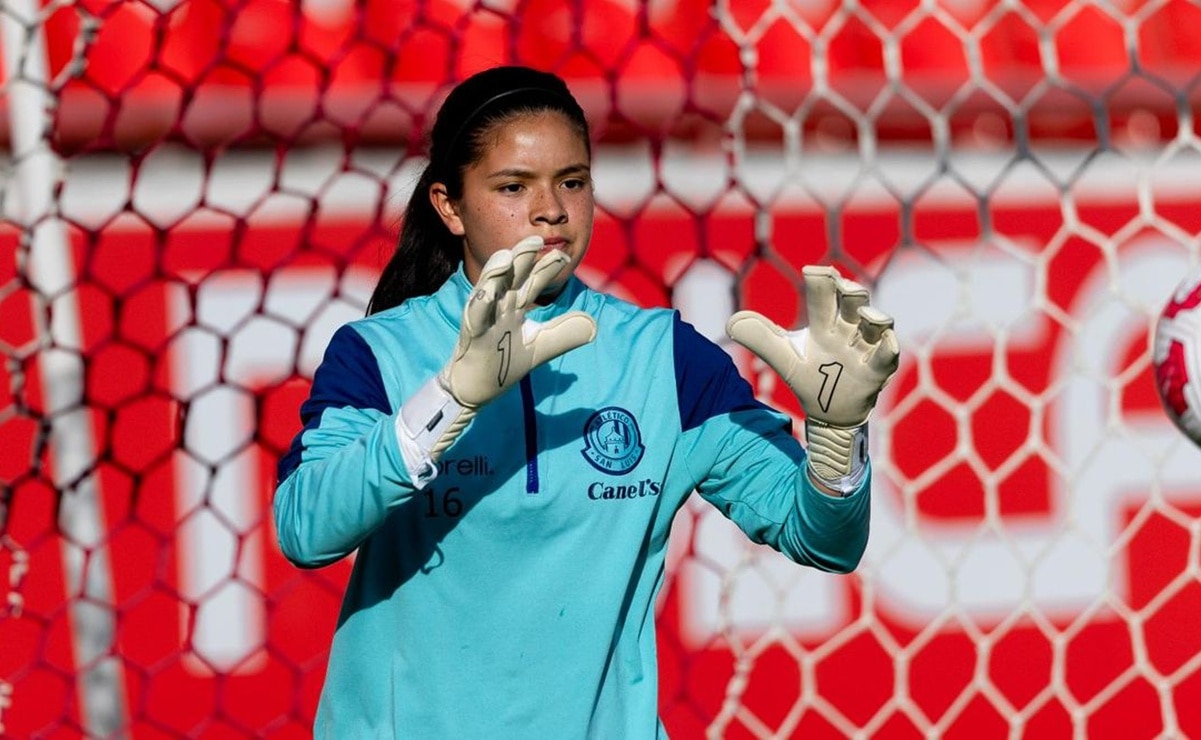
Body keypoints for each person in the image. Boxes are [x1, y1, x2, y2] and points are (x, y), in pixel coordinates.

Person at [273, 65, 900, 738]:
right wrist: (451, 398)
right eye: (513, 186)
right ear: (448, 205)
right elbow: (306, 532)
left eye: (572, 181)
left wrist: (838, 432)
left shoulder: (661, 356)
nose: (551, 210)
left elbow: (821, 542)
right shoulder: (380, 352)